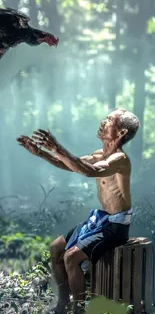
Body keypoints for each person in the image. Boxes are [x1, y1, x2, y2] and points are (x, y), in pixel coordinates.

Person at [17, 108, 139, 314]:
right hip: (101, 219)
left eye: (110, 120)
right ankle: (62, 305)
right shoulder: (100, 154)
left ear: (121, 134)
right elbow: (72, 165)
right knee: (56, 248)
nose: (103, 121)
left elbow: (90, 171)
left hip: (116, 225)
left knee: (71, 257)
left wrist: (57, 147)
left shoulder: (120, 159)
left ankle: (78, 310)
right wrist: (42, 153)